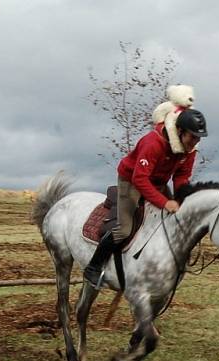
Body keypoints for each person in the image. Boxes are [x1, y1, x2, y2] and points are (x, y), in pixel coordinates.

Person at [84, 108, 208, 287]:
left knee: (176, 218)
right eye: (193, 136)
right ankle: (93, 268)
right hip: (131, 181)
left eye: (199, 138)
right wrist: (165, 202)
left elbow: (181, 176)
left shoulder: (190, 150)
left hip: (158, 182)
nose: (195, 142)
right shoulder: (153, 142)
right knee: (124, 229)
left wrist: (182, 198)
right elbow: (140, 179)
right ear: (180, 131)